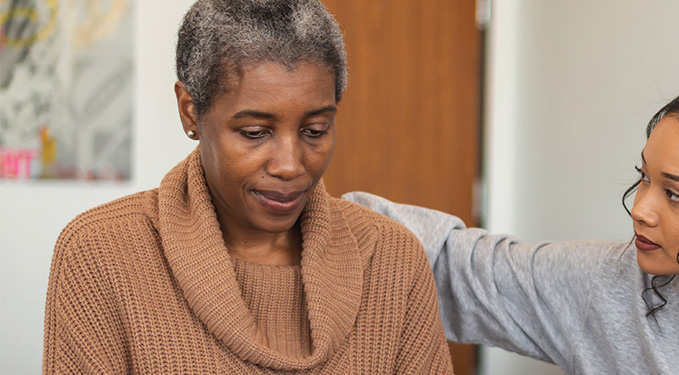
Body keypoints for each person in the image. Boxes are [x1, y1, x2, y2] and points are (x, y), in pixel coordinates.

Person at [346, 77, 679, 374]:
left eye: (676, 195)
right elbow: (454, 263)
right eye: (644, 179)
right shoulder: (606, 282)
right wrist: (310, 210)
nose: (641, 209)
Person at [42, 0, 453, 373]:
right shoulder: (102, 253)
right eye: (256, 132)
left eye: (315, 130)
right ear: (190, 111)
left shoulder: (393, 260)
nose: (291, 165)